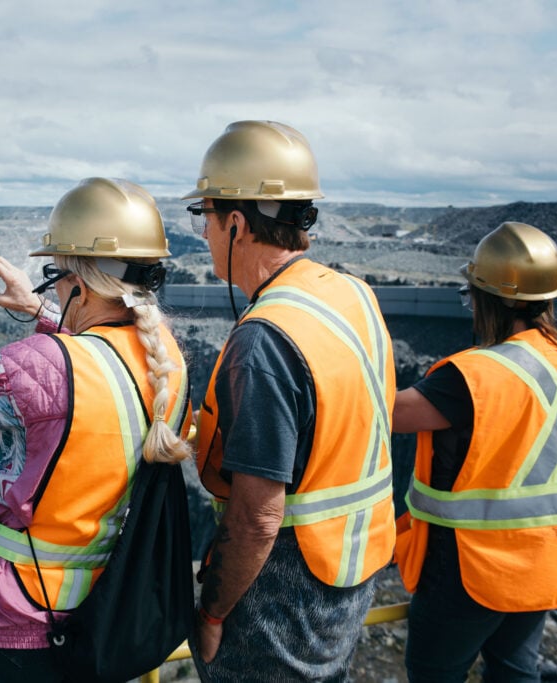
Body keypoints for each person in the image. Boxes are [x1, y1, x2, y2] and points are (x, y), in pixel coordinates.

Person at [0, 177, 192, 682]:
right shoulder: (165, 355)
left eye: (57, 274)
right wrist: (40, 311)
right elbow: (92, 377)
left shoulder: (49, 363)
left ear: (83, 280)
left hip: (21, 611)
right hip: (103, 605)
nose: (53, 285)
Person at [186, 120, 397, 681]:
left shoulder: (264, 340)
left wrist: (211, 612)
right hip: (350, 576)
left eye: (201, 216)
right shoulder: (351, 293)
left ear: (235, 222)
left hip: (280, 596)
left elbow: (257, 516)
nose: (202, 233)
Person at [393, 221, 557, 682]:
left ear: (489, 300)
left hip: (473, 569)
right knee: (515, 672)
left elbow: (389, 414)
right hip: (546, 562)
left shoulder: (472, 375)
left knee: (434, 672)